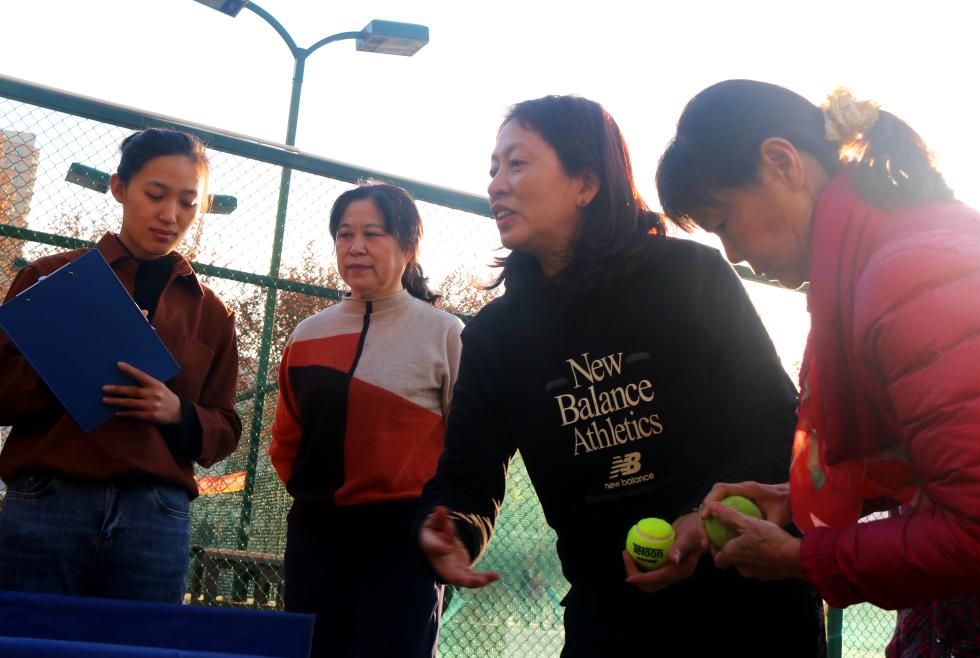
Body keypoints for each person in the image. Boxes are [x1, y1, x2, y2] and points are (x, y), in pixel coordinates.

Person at [416, 95, 824, 657]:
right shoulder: (495, 336)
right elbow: (467, 472)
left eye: (517, 163)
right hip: (609, 613)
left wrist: (698, 521)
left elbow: (777, 425)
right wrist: (454, 529)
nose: (496, 185)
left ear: (586, 183)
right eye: (493, 169)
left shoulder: (692, 276)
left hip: (750, 604)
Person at [656, 79, 980, 656]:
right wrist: (793, 498)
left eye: (723, 221)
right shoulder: (903, 247)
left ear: (781, 162)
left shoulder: (912, 276)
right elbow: (966, 462)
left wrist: (805, 559)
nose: (732, 253)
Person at [0, 128, 242, 603]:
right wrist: (67, 359)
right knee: (30, 636)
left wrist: (177, 412)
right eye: (156, 194)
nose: (171, 215)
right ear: (119, 188)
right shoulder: (47, 278)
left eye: (188, 203)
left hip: (155, 515)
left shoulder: (212, 313)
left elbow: (226, 429)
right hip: (48, 501)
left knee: (138, 640)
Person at [268, 182, 462, 658]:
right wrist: (322, 502)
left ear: (408, 247)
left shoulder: (445, 334)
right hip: (316, 537)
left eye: (372, 233)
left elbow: (467, 446)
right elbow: (285, 442)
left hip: (404, 542)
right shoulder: (306, 335)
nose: (355, 246)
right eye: (344, 234)